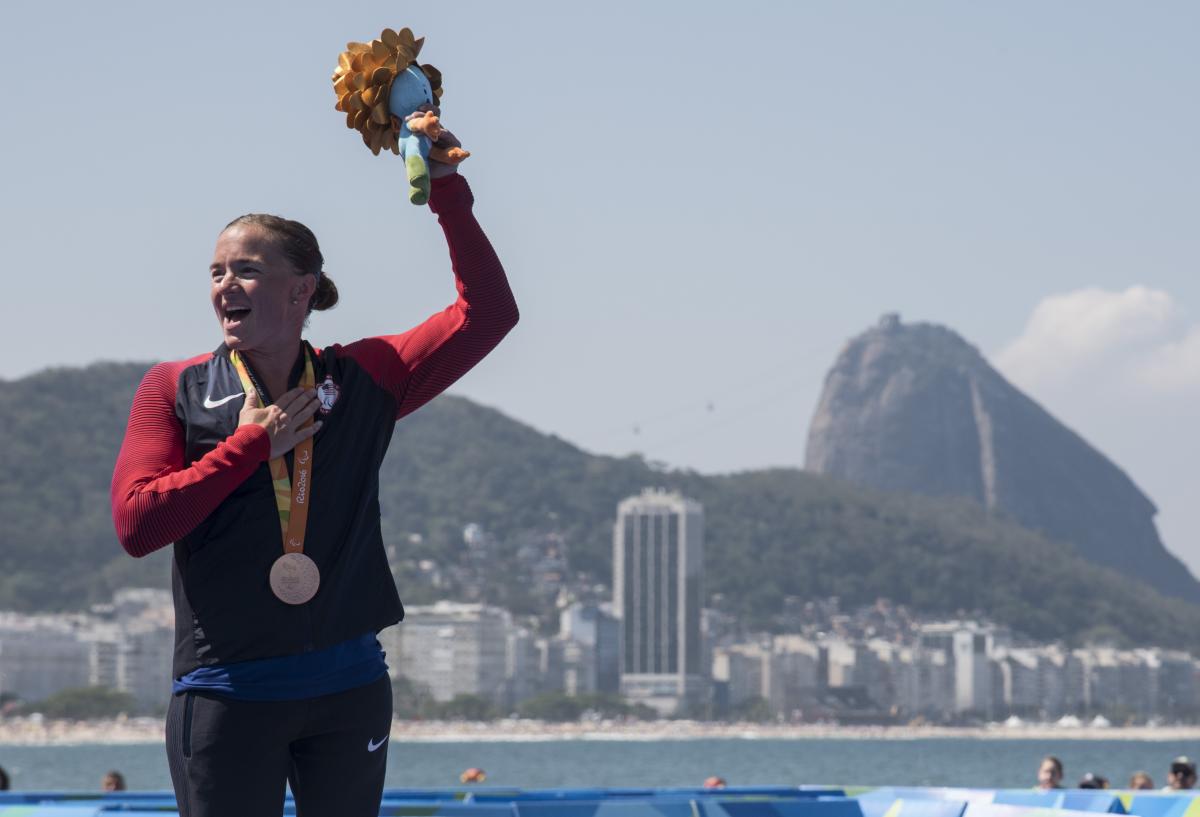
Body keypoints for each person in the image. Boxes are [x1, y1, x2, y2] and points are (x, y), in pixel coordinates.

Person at [110, 133, 518, 817]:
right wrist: (247, 447)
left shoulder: (362, 379)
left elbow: (489, 314)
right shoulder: (175, 388)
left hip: (347, 685)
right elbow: (138, 524)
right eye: (215, 272)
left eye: (245, 270)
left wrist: (446, 189)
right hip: (226, 690)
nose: (223, 286)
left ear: (302, 289)